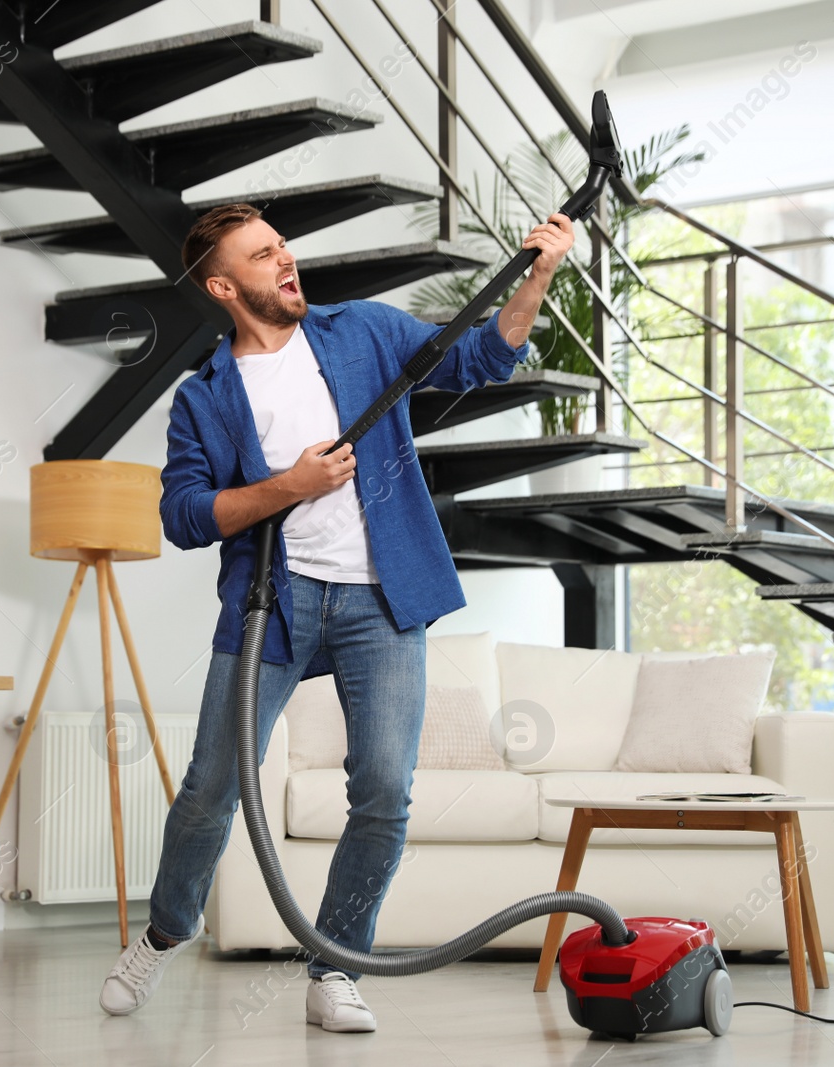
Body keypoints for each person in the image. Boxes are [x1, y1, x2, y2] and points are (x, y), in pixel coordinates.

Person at [98, 202, 575, 1032]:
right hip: (271, 606)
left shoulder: (361, 333)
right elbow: (182, 516)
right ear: (222, 285)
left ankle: (337, 965)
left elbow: (484, 356)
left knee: (384, 791)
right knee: (211, 788)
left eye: (282, 246)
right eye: (261, 255)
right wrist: (288, 487)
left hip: (381, 600)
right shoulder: (205, 397)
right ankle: (165, 931)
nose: (286, 261)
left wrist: (537, 274)